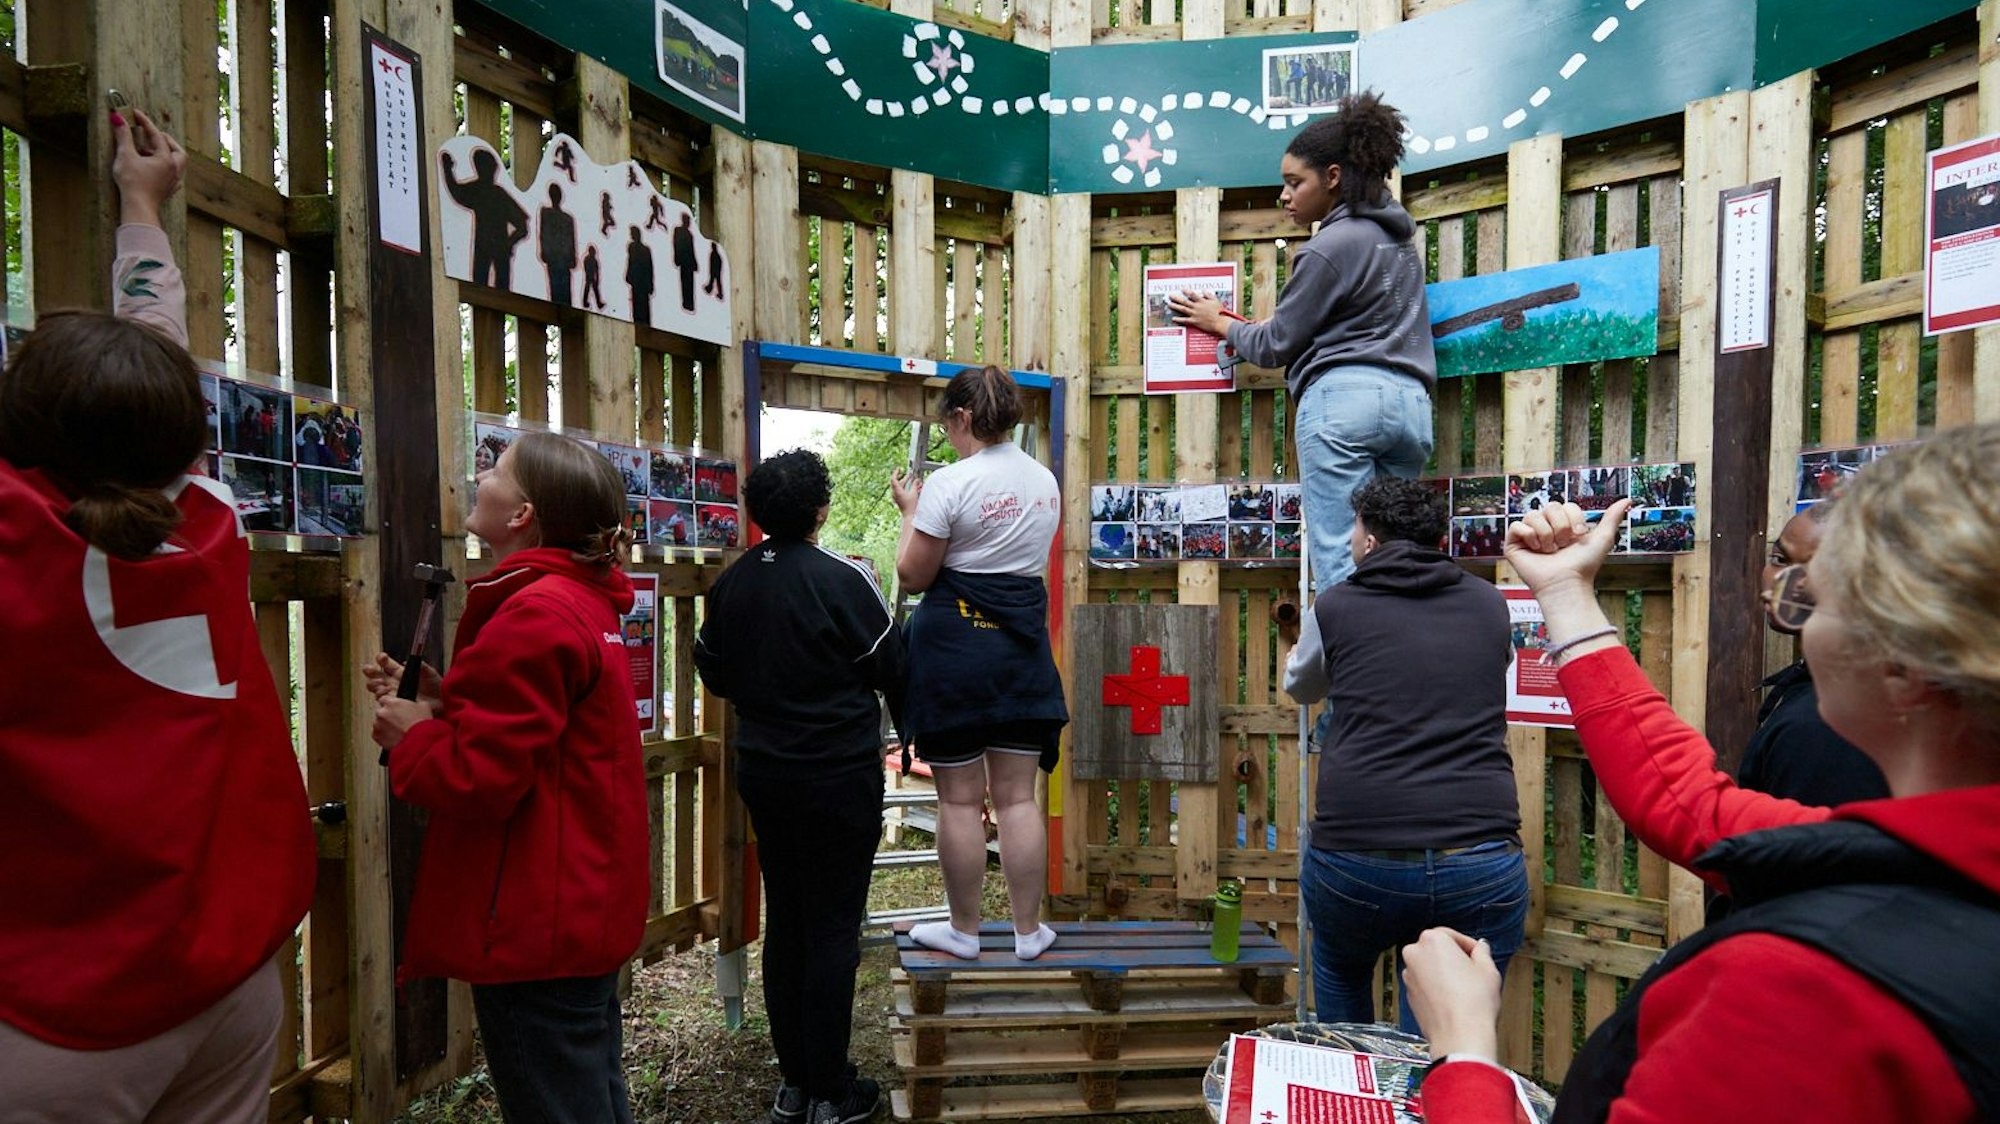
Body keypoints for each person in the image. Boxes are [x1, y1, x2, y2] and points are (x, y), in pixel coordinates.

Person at [1402, 425, 2000, 1124]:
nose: (1798, 618)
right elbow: (1693, 808)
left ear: (1902, 665)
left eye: (1818, 599)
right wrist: (1566, 595)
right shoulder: (1935, 857)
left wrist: (1465, 1053)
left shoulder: (1807, 995)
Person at [0, 108, 315, 1123]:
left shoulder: (16, 543)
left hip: (61, 1014)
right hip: (228, 977)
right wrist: (142, 209)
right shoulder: (207, 522)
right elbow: (155, 361)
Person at [366, 430, 646, 1124]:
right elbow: (545, 744)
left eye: (496, 470)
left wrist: (415, 736)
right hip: (575, 904)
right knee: (588, 1090)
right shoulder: (577, 602)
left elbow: (481, 780)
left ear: (522, 515)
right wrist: (445, 701)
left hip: (537, 922)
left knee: (559, 1104)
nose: (480, 476)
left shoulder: (534, 612)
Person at [693, 450, 908, 1124]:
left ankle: (794, 1086)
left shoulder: (730, 587)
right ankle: (831, 1090)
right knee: (835, 923)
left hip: (767, 773)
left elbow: (715, 672)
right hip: (839, 775)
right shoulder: (844, 579)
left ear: (757, 514)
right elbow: (891, 666)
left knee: (788, 918)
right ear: (822, 509)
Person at [1278, 477, 1523, 1029]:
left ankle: (1354, 1098)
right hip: (1478, 856)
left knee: (1341, 974)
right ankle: (1434, 1095)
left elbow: (1303, 687)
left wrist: (1300, 655)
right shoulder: (1489, 603)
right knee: (1450, 1024)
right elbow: (1492, 668)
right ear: (1440, 539)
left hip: (1358, 857)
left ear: (1368, 542)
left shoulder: (1336, 605)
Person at [1168, 92, 1435, 595]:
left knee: (1341, 556)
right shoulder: (1399, 245)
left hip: (1344, 405)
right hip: (1413, 408)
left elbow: (1275, 344)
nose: (1285, 196)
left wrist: (1218, 320)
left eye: (1295, 182)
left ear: (1333, 177)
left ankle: (1351, 668)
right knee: (1400, 553)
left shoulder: (1328, 248)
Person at [891, 366, 1068, 962]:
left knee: (959, 801)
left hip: (954, 654)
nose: (949, 437)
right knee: (1019, 799)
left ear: (963, 418)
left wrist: (909, 512)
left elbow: (914, 575)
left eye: (949, 426)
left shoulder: (951, 483)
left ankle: (964, 931)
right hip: (1020, 648)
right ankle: (1027, 932)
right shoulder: (1045, 482)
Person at [440, 148, 528, 290]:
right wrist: (447, 170)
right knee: (481, 284)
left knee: (500, 286)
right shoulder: (480, 190)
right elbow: (457, 192)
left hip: (496, 249)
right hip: (484, 248)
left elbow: (523, 226)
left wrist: (508, 244)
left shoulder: (498, 194)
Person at [539, 183, 578, 308]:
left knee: (565, 288)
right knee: (555, 287)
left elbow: (571, 239)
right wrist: (545, 251)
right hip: (554, 257)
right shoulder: (546, 213)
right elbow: (543, 233)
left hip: (564, 258)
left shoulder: (567, 218)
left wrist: (573, 257)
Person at [625, 226, 655, 328]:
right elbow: (630, 262)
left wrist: (651, 284)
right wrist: (628, 275)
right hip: (636, 280)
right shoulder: (632, 247)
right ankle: (638, 321)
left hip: (642, 281)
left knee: (643, 303)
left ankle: (644, 322)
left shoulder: (645, 250)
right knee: (637, 302)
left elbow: (649, 268)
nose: (631, 236)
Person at [672, 213, 699, 313]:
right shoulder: (678, 231)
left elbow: (692, 250)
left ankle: (690, 304)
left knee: (690, 284)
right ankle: (686, 303)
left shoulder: (689, 234)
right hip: (683, 262)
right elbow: (676, 245)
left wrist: (695, 263)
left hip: (689, 263)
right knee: (685, 283)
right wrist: (677, 258)